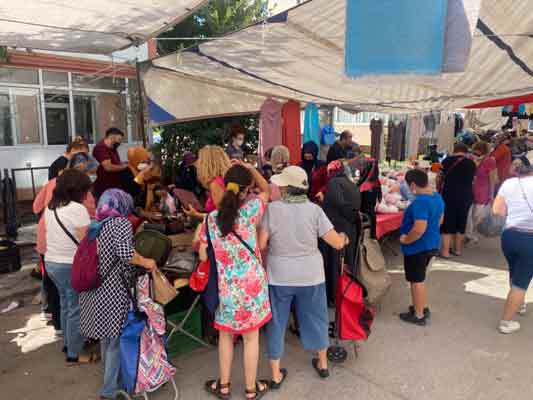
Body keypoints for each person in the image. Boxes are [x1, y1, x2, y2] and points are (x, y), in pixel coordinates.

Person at [259, 166, 348, 386]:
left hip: (279, 276)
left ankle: (275, 374)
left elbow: (261, 244)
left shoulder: (272, 210)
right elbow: (336, 243)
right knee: (317, 317)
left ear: (288, 188)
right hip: (311, 275)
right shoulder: (315, 211)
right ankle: (323, 364)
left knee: (277, 322)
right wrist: (345, 237)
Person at [200, 163, 271, 400]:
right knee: (251, 337)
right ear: (245, 190)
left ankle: (224, 386)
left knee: (226, 336)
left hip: (226, 289)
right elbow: (267, 190)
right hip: (253, 287)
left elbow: (201, 253)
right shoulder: (251, 211)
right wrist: (250, 168)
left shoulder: (210, 220)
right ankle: (251, 390)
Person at [79, 189, 157, 399]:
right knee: (114, 341)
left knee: (107, 340)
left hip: (95, 290)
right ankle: (109, 391)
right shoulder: (120, 223)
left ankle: (112, 380)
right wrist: (146, 262)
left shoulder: (96, 225)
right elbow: (125, 254)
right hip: (112, 292)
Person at [34, 154, 97, 336]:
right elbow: (86, 240)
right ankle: (75, 347)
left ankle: (61, 329)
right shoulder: (78, 204)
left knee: (61, 296)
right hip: (67, 255)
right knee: (74, 302)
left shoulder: (52, 201)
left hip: (48, 245)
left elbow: (35, 207)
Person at [44, 169, 92, 362]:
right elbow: (85, 243)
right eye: (85, 190)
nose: (87, 194)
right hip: (69, 265)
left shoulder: (51, 207)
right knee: (75, 308)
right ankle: (75, 353)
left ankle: (67, 343)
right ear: (76, 190)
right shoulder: (77, 209)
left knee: (65, 304)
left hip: (51, 263)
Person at [399, 169, 444, 326]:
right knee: (419, 279)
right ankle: (421, 307)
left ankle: (418, 315)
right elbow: (440, 220)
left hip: (417, 248)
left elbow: (419, 228)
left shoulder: (420, 202)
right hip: (432, 243)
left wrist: (406, 240)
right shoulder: (436, 197)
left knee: (417, 280)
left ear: (412, 185)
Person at [493, 163, 533, 334]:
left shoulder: (509, 183)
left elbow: (497, 210)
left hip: (509, 235)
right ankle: (506, 322)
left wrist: (514, 215)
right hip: (529, 238)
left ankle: (520, 303)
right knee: (521, 281)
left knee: (514, 270)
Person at [322, 160, 361, 305]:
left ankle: (333, 296)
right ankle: (347, 292)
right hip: (349, 227)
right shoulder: (351, 184)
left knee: (334, 263)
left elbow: (337, 202)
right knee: (346, 262)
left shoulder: (333, 183)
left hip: (336, 227)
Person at [439, 143, 476, 258]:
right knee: (461, 221)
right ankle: (457, 249)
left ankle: (445, 252)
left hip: (449, 194)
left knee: (448, 222)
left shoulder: (446, 161)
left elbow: (439, 177)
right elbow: (473, 180)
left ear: (454, 150)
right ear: (465, 152)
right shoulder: (471, 163)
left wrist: (438, 187)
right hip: (465, 195)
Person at [184, 145, 231, 219]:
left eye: (200, 160)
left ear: (206, 163)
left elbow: (223, 217)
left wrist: (196, 215)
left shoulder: (216, 184)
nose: (198, 163)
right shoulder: (224, 180)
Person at [467, 141, 498, 243]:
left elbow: (492, 179)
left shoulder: (490, 161)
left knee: (477, 215)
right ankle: (469, 234)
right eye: (475, 151)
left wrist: (491, 195)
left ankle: (473, 234)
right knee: (468, 215)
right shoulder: (470, 158)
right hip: (469, 190)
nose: (476, 154)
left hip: (482, 192)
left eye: (478, 151)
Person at [92, 127, 128, 199]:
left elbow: (116, 163)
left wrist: (125, 163)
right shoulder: (101, 148)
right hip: (105, 189)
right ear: (111, 137)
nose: (120, 143)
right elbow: (108, 167)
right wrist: (125, 166)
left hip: (115, 187)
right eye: (119, 140)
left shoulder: (112, 148)